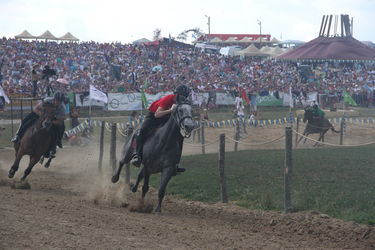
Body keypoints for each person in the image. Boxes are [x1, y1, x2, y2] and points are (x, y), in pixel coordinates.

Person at [130, 84, 190, 172]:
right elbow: (157, 114)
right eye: (182, 97)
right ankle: (137, 156)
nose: (183, 99)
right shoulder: (169, 98)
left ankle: (176, 163)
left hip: (166, 118)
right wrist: (170, 110)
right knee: (141, 131)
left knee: (179, 137)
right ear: (176, 95)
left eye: (185, 97)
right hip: (153, 116)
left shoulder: (182, 103)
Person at [11, 92, 67, 158]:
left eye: (59, 101)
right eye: (56, 100)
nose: (57, 103)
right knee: (25, 121)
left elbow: (60, 121)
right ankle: (18, 136)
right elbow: (35, 109)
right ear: (53, 99)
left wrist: (50, 122)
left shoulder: (62, 107)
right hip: (41, 114)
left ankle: (55, 144)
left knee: (61, 127)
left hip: (53, 118)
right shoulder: (47, 100)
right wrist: (42, 116)